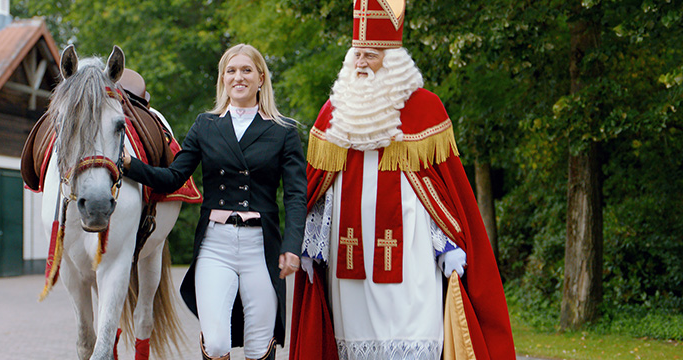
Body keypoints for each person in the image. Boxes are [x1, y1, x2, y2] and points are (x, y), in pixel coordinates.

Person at [289, 1, 516, 360]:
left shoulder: (425, 108)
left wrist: (449, 244)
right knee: (355, 340)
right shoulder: (335, 111)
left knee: (414, 333)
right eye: (357, 55)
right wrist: (310, 242)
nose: (361, 63)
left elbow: (440, 190)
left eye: (371, 55)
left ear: (392, 59)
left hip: (412, 252)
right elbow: (320, 187)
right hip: (349, 255)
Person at [122, 43, 306, 360]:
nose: (239, 77)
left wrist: (291, 246)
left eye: (246, 70)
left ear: (261, 78)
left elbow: (295, 194)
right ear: (222, 79)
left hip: (261, 247)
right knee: (218, 342)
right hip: (215, 246)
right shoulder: (205, 125)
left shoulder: (283, 131)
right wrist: (128, 164)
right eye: (231, 71)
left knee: (260, 345)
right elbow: (174, 177)